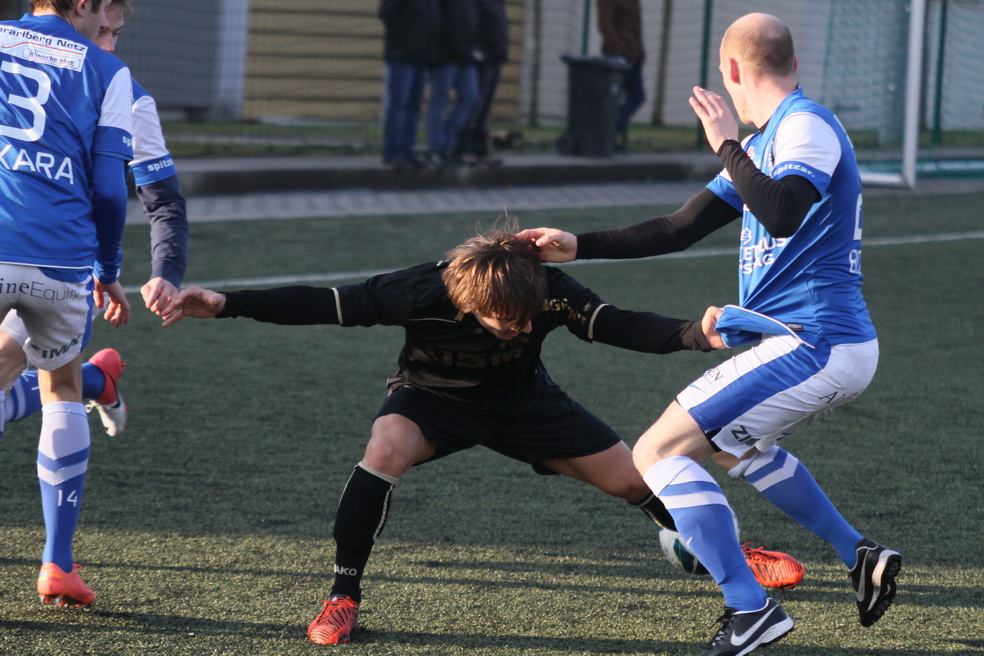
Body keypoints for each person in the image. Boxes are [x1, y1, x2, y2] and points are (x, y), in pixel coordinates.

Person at [162, 224, 802, 645]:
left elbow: (614, 323)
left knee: (635, 477)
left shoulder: (543, 286)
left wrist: (696, 333)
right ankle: (343, 596)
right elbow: (325, 304)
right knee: (383, 450)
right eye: (506, 321)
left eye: (527, 319)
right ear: (467, 301)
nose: (522, 328)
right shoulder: (420, 289)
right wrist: (228, 303)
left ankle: (732, 555)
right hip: (432, 401)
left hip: (524, 402)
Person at [519, 12, 901, 655]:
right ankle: (859, 554)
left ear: (730, 70)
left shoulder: (803, 126)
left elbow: (782, 213)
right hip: (812, 344)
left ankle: (750, 609)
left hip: (817, 342)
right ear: (793, 62)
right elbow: (679, 227)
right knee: (735, 450)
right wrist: (578, 244)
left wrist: (727, 144)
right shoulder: (771, 140)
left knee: (656, 453)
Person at [0, 0, 192, 440]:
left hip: (61, 258)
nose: (105, 44)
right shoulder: (17, 55)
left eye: (115, 34)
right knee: (45, 381)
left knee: (8, 367)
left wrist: (166, 272)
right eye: (101, 30)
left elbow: (163, 199)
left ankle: (89, 381)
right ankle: (95, 379)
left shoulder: (127, 95)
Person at [0, 0, 133, 609]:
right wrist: (109, 269)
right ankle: (57, 564)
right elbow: (109, 189)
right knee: (61, 389)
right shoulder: (108, 71)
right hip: (63, 260)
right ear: (82, 5)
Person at [378, 0, 441, 170]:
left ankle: (407, 152)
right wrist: (405, 38)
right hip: (402, 54)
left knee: (414, 106)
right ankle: (394, 152)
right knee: (399, 104)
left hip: (422, 55)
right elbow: (387, 13)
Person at [423, 0, 480, 168]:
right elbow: (434, 18)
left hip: (465, 54)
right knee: (440, 99)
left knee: (470, 96)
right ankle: (435, 149)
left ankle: (448, 143)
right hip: (445, 54)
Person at [454, 0, 508, 167]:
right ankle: (464, 147)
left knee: (484, 107)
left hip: (495, 56)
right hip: (482, 56)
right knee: (474, 105)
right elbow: (472, 22)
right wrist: (478, 50)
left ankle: (480, 148)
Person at [598, 0, 645, 152]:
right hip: (619, 56)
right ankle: (605, 136)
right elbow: (605, 24)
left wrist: (638, 52)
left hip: (633, 56)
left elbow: (635, 29)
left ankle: (607, 135)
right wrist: (619, 48)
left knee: (636, 97)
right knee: (613, 98)